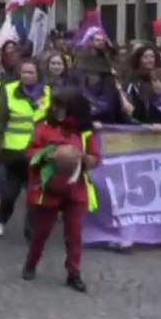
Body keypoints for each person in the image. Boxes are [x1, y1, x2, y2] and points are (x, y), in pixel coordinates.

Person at [21, 87, 99, 291]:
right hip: (49, 189)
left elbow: (95, 159)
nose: (57, 110)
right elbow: (29, 152)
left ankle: (74, 272)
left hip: (75, 189)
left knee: (74, 234)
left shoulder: (85, 133)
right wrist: (47, 155)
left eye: (63, 107)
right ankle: (31, 262)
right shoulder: (44, 128)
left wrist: (82, 159)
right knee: (41, 232)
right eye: (56, 106)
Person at [0, 59, 50, 239]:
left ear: (38, 74)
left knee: (34, 194)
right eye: (24, 72)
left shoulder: (47, 92)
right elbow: (0, 121)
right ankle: (1, 217)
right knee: (9, 194)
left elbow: (50, 119)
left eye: (31, 73)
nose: (27, 76)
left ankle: (30, 230)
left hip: (38, 151)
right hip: (12, 151)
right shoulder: (8, 90)